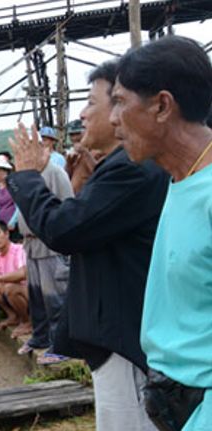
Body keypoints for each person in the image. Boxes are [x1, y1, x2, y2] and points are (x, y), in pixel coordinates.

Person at [8, 59, 169, 430]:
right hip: (117, 335)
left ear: (121, 109)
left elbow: (65, 229)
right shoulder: (118, 166)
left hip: (124, 337)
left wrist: (29, 177)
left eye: (91, 103)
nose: (81, 114)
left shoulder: (132, 169)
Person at [110, 36, 212, 431]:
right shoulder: (179, 177)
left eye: (119, 101)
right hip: (175, 402)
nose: (113, 117)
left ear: (162, 106)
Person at [11, 135, 74, 366]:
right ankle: (39, 338)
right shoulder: (28, 175)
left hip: (49, 244)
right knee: (36, 295)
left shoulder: (55, 173)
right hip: (30, 243)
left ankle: (61, 346)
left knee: (55, 296)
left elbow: (66, 206)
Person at [0, 220, 29, 338]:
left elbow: (23, 274)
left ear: (6, 234)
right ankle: (13, 316)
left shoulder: (20, 249)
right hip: (14, 297)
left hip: (32, 297)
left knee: (9, 287)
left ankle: (27, 322)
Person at [64, 119, 101, 194]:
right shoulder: (72, 153)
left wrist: (84, 152)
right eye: (71, 135)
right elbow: (66, 177)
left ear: (86, 132)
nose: (74, 138)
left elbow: (100, 173)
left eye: (77, 133)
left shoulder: (97, 150)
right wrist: (69, 164)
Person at [0, 155, 20, 240]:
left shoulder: (14, 186)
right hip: (1, 228)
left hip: (14, 227)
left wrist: (12, 222)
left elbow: (19, 206)